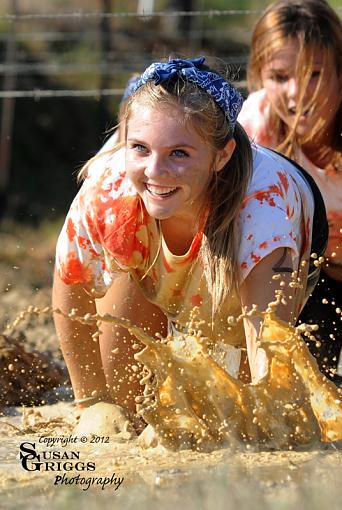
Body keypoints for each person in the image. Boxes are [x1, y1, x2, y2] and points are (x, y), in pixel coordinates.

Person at [52, 57, 327, 423]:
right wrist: (91, 403)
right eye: (140, 148)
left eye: (178, 153)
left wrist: (267, 414)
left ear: (222, 155)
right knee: (128, 409)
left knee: (256, 417)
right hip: (151, 250)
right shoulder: (109, 189)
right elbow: (72, 285)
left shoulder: (264, 213)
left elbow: (269, 358)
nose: (155, 171)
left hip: (263, 240)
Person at [237, 0, 342, 379]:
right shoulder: (254, 126)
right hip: (320, 270)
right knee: (307, 382)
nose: (297, 94)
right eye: (280, 77)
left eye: (314, 74)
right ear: (260, 76)